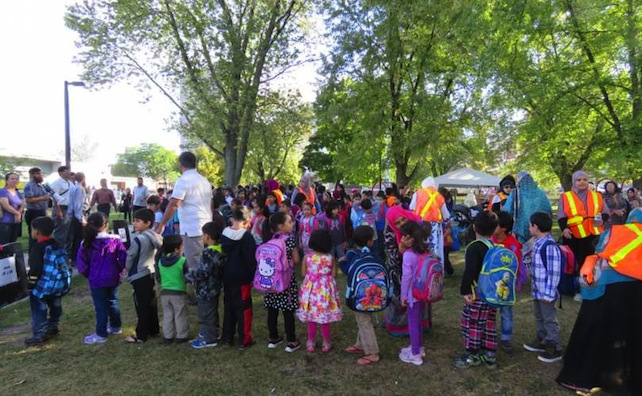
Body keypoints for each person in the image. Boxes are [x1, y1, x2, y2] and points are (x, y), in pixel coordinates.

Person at [556, 208, 642, 394]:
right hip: (636, 291)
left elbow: (600, 251)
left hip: (607, 288)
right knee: (632, 331)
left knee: (598, 331)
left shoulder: (615, 232)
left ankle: (588, 373)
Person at [454, 211, 499, 369]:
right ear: (494, 230)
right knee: (489, 322)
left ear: (474, 227)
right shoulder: (494, 246)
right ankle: (489, 354)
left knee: (473, 323)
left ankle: (472, 355)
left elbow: (470, 271)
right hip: (493, 294)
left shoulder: (474, 247)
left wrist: (464, 290)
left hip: (477, 294)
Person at [76, 212, 127, 344]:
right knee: (113, 302)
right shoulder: (115, 240)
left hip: (96, 279)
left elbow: (81, 264)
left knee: (101, 307)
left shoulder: (86, 243)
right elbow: (123, 258)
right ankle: (116, 327)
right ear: (106, 225)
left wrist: (89, 274)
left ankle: (101, 333)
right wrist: (120, 272)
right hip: (112, 277)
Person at [158, 152, 213, 272]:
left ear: (181, 164)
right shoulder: (205, 181)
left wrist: (162, 224)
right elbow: (210, 204)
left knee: (194, 265)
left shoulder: (183, 180)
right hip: (207, 226)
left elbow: (173, 204)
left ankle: (197, 290)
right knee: (207, 262)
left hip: (192, 228)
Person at [558, 171, 608, 300]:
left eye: (585, 179)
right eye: (578, 180)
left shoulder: (597, 196)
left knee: (592, 262)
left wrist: (602, 219)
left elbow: (605, 212)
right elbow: (561, 215)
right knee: (575, 263)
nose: (582, 182)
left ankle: (591, 287)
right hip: (573, 236)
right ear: (574, 182)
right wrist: (564, 229)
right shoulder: (565, 197)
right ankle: (576, 289)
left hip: (593, 235)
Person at [383, 205, 430, 336]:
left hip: (418, 271)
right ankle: (399, 327)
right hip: (399, 271)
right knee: (402, 297)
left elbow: (427, 246)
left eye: (402, 220)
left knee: (418, 294)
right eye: (396, 223)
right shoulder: (390, 233)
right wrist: (401, 250)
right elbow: (391, 257)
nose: (401, 224)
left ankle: (420, 324)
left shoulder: (417, 225)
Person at [522, 212, 563, 363]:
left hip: (546, 292)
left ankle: (554, 346)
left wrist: (549, 293)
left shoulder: (549, 246)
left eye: (529, 225)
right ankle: (542, 339)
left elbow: (554, 272)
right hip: (537, 290)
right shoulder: (537, 242)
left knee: (549, 319)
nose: (528, 228)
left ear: (536, 227)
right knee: (539, 316)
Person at [263, 212, 302, 353]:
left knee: (272, 311)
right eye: (290, 222)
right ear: (281, 226)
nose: (292, 223)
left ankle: (273, 338)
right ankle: (291, 340)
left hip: (271, 281)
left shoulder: (270, 239)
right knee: (287, 311)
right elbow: (296, 260)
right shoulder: (290, 240)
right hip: (286, 281)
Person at [342, 226, 381, 365]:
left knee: (364, 321)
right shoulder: (374, 254)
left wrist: (342, 262)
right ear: (370, 241)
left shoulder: (352, 254)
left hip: (358, 296)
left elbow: (348, 271)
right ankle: (360, 344)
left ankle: (372, 352)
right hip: (374, 294)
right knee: (363, 319)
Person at [298, 228, 342, 353]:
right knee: (324, 318)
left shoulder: (307, 258)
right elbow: (333, 275)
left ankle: (310, 342)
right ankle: (326, 342)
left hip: (311, 292)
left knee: (311, 318)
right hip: (324, 292)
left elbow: (302, 273)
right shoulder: (330, 258)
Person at [124, 208, 163, 343]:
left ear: (148, 223)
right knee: (151, 303)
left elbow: (130, 256)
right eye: (134, 221)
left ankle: (141, 335)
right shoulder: (156, 236)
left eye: (138, 221)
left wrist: (126, 269)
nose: (134, 223)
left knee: (141, 306)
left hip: (139, 275)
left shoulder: (138, 239)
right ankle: (154, 329)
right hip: (150, 273)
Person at [221, 207, 257, 349]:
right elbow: (250, 259)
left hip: (227, 275)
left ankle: (227, 337)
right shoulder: (247, 237)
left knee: (229, 307)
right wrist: (253, 276)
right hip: (242, 278)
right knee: (244, 308)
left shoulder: (224, 234)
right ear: (247, 221)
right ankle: (244, 338)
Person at [24, 217, 63, 346]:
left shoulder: (37, 248)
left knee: (39, 308)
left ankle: (40, 333)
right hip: (57, 283)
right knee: (55, 304)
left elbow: (35, 269)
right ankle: (53, 326)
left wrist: (30, 284)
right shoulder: (57, 243)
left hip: (42, 285)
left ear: (36, 232)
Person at [398, 221, 432, 366]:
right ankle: (419, 347)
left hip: (413, 295)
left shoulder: (408, 255)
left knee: (412, 323)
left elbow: (406, 277)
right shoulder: (425, 251)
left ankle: (415, 354)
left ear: (410, 238)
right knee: (418, 321)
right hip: (424, 292)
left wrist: (403, 296)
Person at [187, 222, 225, 349]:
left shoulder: (208, 253)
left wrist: (190, 275)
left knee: (205, 314)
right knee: (212, 312)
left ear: (207, 236)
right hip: (215, 287)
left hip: (205, 289)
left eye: (203, 234)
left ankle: (209, 339)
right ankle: (213, 332)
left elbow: (204, 272)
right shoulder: (221, 250)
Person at [491, 211, 524, 354]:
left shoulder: (513, 245)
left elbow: (516, 265)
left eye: (495, 224)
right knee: (490, 311)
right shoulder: (490, 240)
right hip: (491, 284)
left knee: (506, 312)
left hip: (506, 286)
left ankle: (506, 338)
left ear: (503, 228)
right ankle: (489, 336)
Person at [409, 177, 450, 265]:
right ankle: (436, 272)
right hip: (435, 228)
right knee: (436, 249)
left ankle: (421, 270)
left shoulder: (418, 193)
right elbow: (446, 215)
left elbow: (411, 208)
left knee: (421, 247)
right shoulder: (439, 196)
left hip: (420, 225)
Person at [503, 171, 553, 245]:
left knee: (521, 252)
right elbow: (548, 210)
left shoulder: (516, 193)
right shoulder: (541, 194)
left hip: (520, 230)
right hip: (539, 229)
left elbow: (507, 210)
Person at [157, 235, 189, 344]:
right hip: (179, 293)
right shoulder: (182, 261)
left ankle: (168, 336)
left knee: (167, 315)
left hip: (164, 293)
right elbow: (187, 276)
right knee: (180, 314)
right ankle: (182, 335)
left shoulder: (160, 262)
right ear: (177, 249)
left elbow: (159, 276)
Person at [23, 167, 52, 250]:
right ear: (32, 174)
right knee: (34, 236)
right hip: (33, 212)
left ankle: (40, 253)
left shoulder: (40, 185)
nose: (40, 175)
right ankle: (33, 256)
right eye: (38, 173)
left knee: (42, 235)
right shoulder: (29, 185)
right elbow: (28, 199)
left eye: (40, 173)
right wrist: (43, 198)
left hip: (42, 211)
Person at [67, 172, 88, 266]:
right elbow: (78, 205)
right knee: (79, 238)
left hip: (72, 215)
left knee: (75, 237)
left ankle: (73, 257)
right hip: (78, 216)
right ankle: (76, 258)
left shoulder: (73, 187)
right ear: (83, 178)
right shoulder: (80, 189)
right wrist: (81, 218)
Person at [48, 166, 72, 248]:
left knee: (68, 232)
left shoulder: (70, 182)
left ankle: (65, 251)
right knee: (60, 233)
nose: (69, 172)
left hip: (69, 208)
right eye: (66, 171)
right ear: (61, 173)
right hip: (61, 208)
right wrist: (59, 211)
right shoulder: (57, 183)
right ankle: (57, 251)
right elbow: (55, 197)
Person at [0, 172, 24, 244]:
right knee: (4, 243)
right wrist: (17, 213)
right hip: (5, 221)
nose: (14, 180)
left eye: (16, 179)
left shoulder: (17, 192)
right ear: (6, 181)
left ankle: (11, 255)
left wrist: (19, 213)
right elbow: (5, 205)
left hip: (16, 221)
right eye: (12, 179)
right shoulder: (3, 191)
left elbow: (22, 204)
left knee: (13, 242)